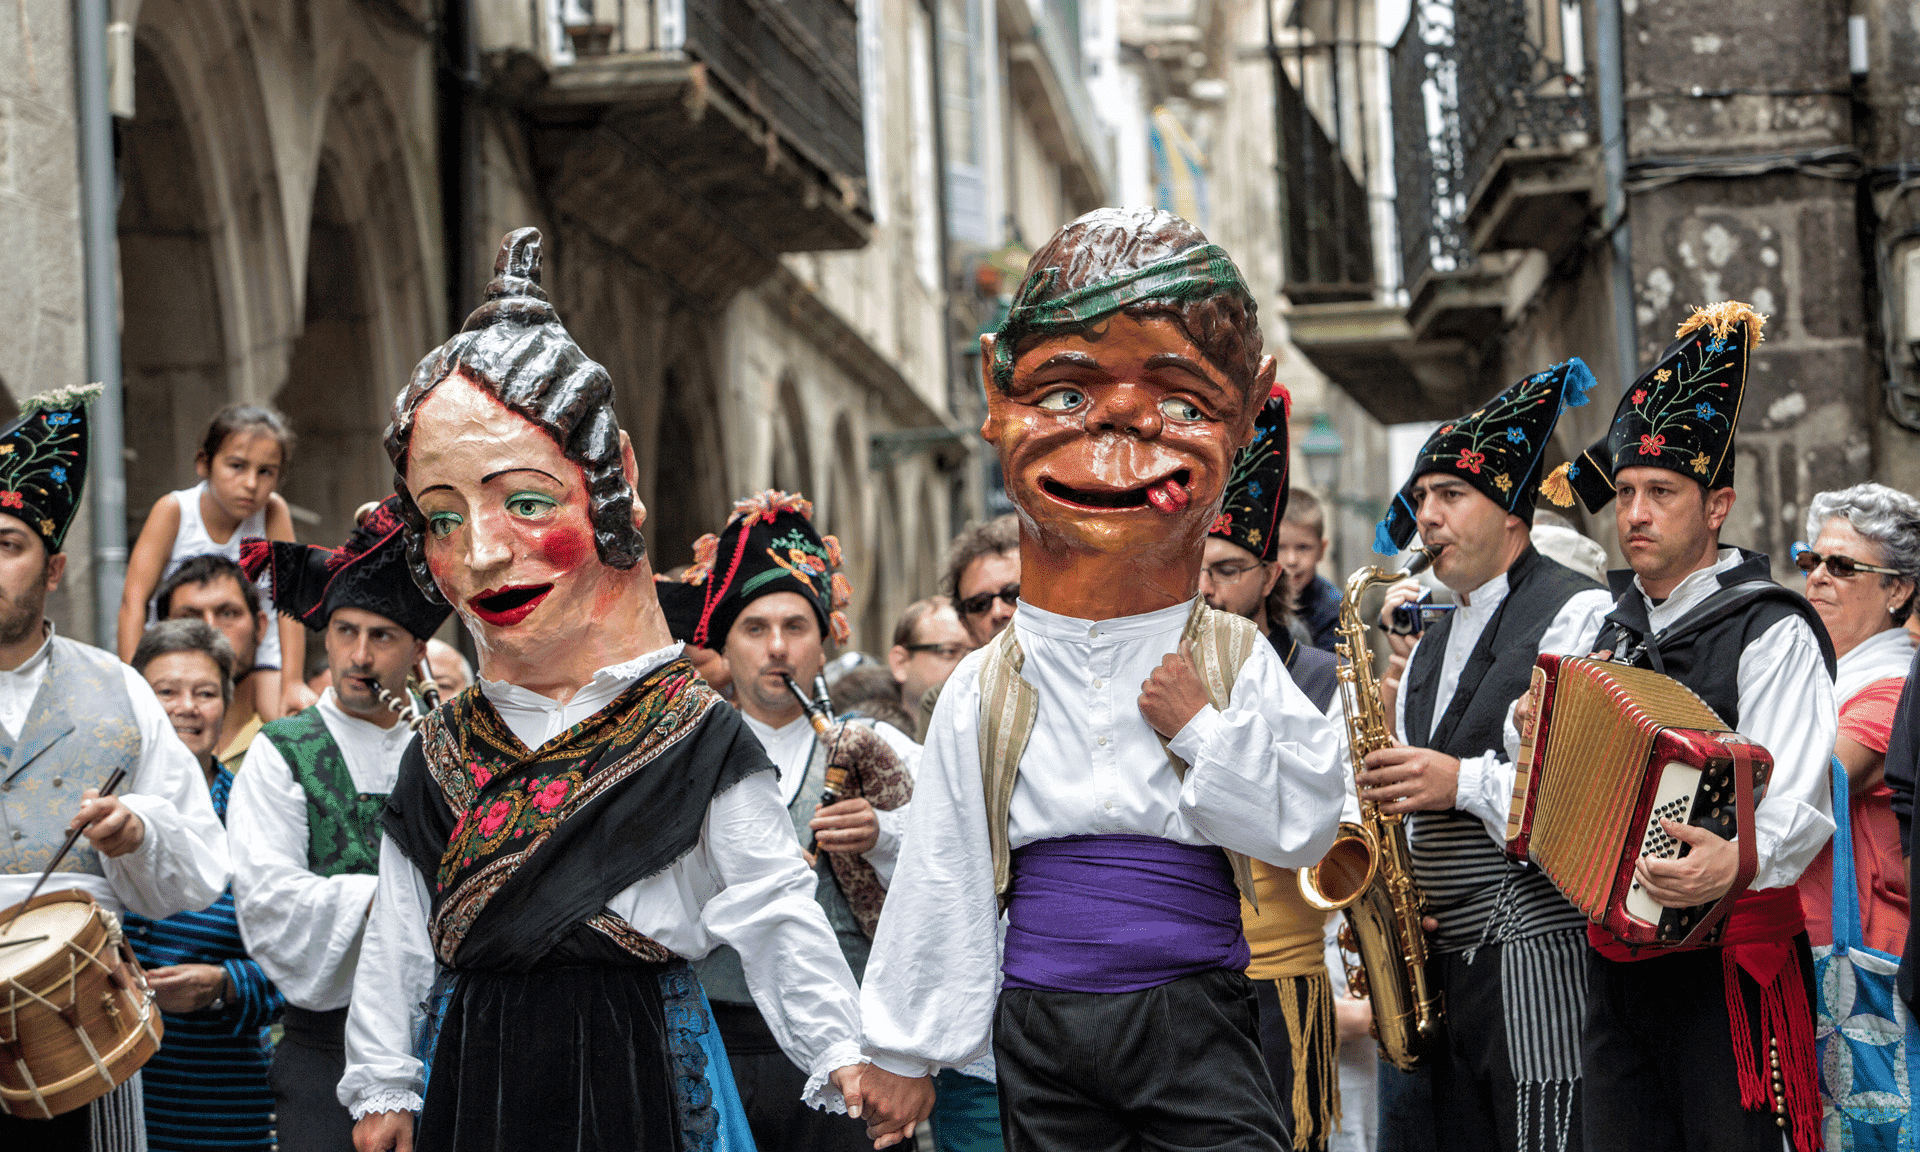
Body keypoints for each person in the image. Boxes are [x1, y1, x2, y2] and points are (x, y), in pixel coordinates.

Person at [343, 228, 867, 1152]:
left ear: (613, 477)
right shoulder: (444, 747)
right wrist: (385, 1079)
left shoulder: (695, 737)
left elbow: (775, 908)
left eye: (529, 503)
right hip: (479, 1066)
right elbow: (399, 924)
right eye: (442, 518)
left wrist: (841, 1053)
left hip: (642, 1064)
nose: (481, 554)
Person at [856, 207, 1346, 1151]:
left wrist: (1202, 729)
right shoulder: (983, 685)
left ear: (1247, 412)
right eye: (1068, 394)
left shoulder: (1234, 658)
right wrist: (905, 1051)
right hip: (1044, 1020)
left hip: (1194, 1013)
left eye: (1186, 402)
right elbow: (945, 866)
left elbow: (1308, 825)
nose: (1122, 425)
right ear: (997, 393)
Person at [1553, 301, 1837, 1152]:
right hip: (1615, 968)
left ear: (1717, 507)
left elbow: (1799, 797)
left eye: (1661, 493)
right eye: (1627, 493)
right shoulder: (1595, 625)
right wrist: (1544, 740)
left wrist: (1738, 857)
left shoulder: (1772, 627)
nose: (1635, 512)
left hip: (1731, 971)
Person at [1352, 360, 1614, 1152]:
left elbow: (1578, 795)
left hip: (1536, 948)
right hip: (1443, 953)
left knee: (1543, 1133)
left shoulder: (1580, 610)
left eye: (1450, 495)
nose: (1426, 518)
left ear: (1512, 512)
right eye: (1422, 498)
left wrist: (1456, 780)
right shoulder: (1433, 630)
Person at [0, 384, 230, 1152]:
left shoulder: (117, 687)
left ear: (55, 567)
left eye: (8, 546)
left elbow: (197, 865)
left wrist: (135, 833)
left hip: (79, 1020)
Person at [680, 489, 917, 1152]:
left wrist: (884, 833)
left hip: (848, 1049)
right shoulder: (682, 763)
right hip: (715, 1042)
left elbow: (948, 872)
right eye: (755, 629)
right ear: (724, 645)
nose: (776, 647)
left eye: (795, 627)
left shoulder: (875, 750)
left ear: (826, 638)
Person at [226, 496, 448, 1152]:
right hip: (327, 1044)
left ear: (418, 648)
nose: (358, 655)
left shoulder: (447, 747)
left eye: (381, 637)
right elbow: (268, 899)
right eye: (345, 631)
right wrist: (395, 899)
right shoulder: (283, 750)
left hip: (452, 1037)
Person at [1201, 381, 1345, 1150]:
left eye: (1225, 569)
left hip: (1287, 974)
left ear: (1270, 574)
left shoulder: (1321, 678)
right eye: (1195, 566)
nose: (1204, 588)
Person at [125, 620, 286, 1152]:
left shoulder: (255, 814)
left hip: (225, 1102)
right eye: (164, 692)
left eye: (205, 693)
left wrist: (225, 985)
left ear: (227, 705)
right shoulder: (104, 810)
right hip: (115, 1097)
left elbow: (303, 961)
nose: (185, 707)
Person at [1792, 484, 1919, 953]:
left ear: (1899, 588)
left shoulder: (1894, 690)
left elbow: (1811, 781)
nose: (1818, 577)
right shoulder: (1818, 678)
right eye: (1810, 561)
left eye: (1843, 566)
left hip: (1870, 958)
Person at [118, 404, 307, 719]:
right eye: (237, 466)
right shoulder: (174, 511)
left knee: (284, 723)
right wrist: (132, 681)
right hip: (177, 643)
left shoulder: (273, 513)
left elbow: (291, 603)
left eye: (265, 472)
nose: (250, 484)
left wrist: (293, 681)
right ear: (204, 464)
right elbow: (133, 602)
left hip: (254, 648)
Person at [154, 554, 273, 771]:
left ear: (261, 627)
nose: (210, 629)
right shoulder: (140, 743)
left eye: (227, 613)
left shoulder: (285, 743)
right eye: (189, 618)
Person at [887, 596, 971, 738]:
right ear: (900, 663)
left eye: (975, 653)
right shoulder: (868, 744)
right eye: (949, 651)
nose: (967, 664)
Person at [1276, 489, 1339, 652]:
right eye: (1280, 547)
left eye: (1303, 548)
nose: (1291, 560)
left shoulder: (1335, 610)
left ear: (1322, 550)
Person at [947, 514, 1020, 649]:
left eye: (1013, 594)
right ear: (965, 624)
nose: (998, 612)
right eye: (979, 604)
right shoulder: (965, 670)